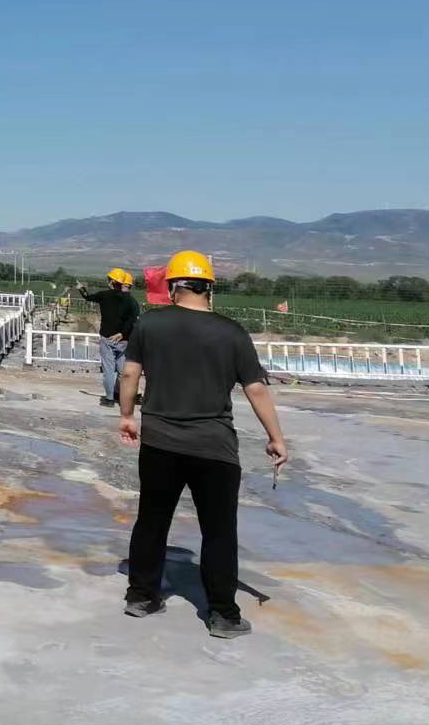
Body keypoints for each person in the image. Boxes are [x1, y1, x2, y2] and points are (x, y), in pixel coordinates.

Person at [118, 250, 288, 639]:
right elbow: (256, 389)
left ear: (173, 287)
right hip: (215, 448)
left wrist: (127, 415)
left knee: (152, 520)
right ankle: (223, 615)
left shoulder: (150, 324)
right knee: (219, 531)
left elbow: (129, 373)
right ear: (209, 287)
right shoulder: (232, 332)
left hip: (160, 442)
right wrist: (276, 438)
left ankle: (142, 597)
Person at [78, 268, 140, 405]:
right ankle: (125, 397)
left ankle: (109, 399)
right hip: (123, 340)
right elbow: (133, 320)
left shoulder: (104, 295)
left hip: (107, 338)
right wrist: (122, 333)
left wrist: (81, 288)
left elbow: (88, 297)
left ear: (111, 282)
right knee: (122, 370)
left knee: (108, 370)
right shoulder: (129, 300)